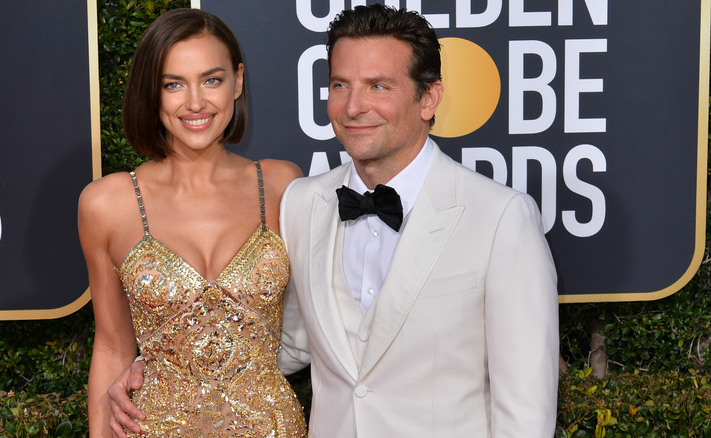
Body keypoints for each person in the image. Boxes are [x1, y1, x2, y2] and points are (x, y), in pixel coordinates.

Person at [109, 4, 559, 437]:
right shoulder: (304, 201)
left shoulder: (501, 218)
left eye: (379, 86)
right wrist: (165, 366)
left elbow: (524, 408)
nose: (354, 107)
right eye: (341, 85)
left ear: (429, 97)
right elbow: (286, 341)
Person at [78, 8, 306, 438]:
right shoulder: (108, 203)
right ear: (152, 92)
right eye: (173, 84)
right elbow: (111, 346)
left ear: (238, 81)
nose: (196, 102)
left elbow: (322, 318)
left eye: (212, 79)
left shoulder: (281, 185)